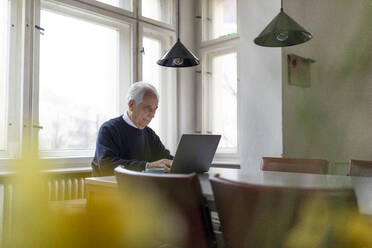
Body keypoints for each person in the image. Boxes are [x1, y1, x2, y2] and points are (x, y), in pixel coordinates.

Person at [91, 82, 173, 176]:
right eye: (148, 108)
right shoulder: (109, 129)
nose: (153, 115)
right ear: (131, 105)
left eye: (155, 109)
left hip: (139, 188)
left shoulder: (149, 134)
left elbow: (165, 157)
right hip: (110, 187)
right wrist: (147, 166)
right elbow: (107, 165)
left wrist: (182, 163)